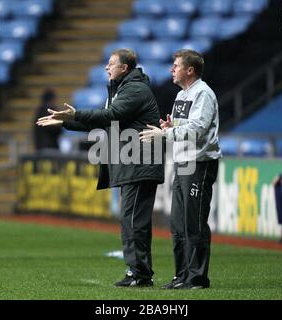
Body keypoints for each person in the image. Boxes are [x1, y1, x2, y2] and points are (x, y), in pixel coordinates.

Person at [36, 49, 164, 287]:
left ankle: (140, 274)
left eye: (111, 63)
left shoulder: (135, 89)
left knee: (134, 221)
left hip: (140, 163)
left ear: (124, 68)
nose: (106, 67)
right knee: (130, 220)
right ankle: (137, 272)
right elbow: (106, 122)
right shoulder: (122, 89)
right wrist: (68, 121)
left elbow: (111, 115)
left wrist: (75, 113)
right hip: (131, 163)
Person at [140, 49, 222, 290]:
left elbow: (197, 129)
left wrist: (166, 132)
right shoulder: (181, 96)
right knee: (178, 223)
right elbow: (184, 127)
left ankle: (197, 277)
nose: (171, 70)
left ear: (190, 70)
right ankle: (182, 275)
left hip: (199, 163)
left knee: (194, 222)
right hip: (182, 162)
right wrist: (171, 126)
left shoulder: (203, 94)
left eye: (175, 66)